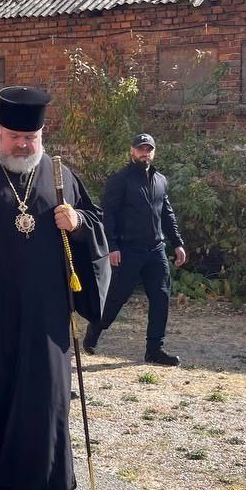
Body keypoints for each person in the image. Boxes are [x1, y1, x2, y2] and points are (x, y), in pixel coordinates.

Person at [0, 87, 111, 490]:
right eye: (14, 136)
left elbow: (95, 223)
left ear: (42, 135)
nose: (22, 145)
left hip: (46, 313)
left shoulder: (61, 176)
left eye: (30, 138)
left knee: (45, 393)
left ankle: (40, 480)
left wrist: (77, 223)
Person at [84, 133, 187, 366]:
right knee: (116, 298)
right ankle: (95, 329)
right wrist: (112, 246)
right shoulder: (120, 180)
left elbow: (167, 214)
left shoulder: (160, 180)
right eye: (140, 149)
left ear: (153, 152)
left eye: (148, 149)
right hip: (128, 250)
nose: (144, 153)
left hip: (156, 250)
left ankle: (155, 350)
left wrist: (178, 243)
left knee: (161, 297)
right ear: (132, 152)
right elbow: (107, 214)